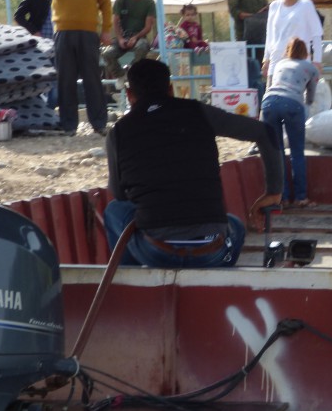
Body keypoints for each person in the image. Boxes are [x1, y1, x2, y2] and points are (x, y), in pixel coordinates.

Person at [104, 58, 283, 268]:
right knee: (234, 224)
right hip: (211, 252)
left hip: (155, 252)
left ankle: (132, 286)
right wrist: (274, 191)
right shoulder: (200, 112)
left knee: (115, 210)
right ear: (170, 89)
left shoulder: (118, 132)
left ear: (129, 94)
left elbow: (119, 194)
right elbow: (265, 132)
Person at [35, 0, 112, 136]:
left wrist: (106, 29)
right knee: (65, 79)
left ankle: (99, 123)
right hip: (63, 30)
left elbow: (105, 2)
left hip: (89, 31)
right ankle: (68, 125)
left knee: (92, 78)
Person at [262, 37, 320, 208]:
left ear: (287, 51)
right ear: (306, 52)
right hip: (293, 104)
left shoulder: (280, 64)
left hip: (269, 103)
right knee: (297, 153)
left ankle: (283, 198)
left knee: (277, 153)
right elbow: (310, 97)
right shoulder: (311, 68)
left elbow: (272, 84)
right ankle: (301, 197)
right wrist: (306, 107)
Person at [262, 0, 323, 85]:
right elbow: (269, 34)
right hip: (276, 61)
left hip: (298, 61)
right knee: (271, 98)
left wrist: (317, 61)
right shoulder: (274, 6)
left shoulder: (306, 5)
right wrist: (266, 59)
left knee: (297, 99)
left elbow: (316, 33)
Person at [102, 0, 156, 79]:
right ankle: (120, 76)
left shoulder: (149, 3)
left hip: (139, 37)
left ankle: (133, 75)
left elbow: (148, 27)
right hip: (123, 37)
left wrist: (136, 37)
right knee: (106, 53)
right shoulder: (121, 0)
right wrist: (120, 38)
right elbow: (115, 21)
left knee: (142, 47)